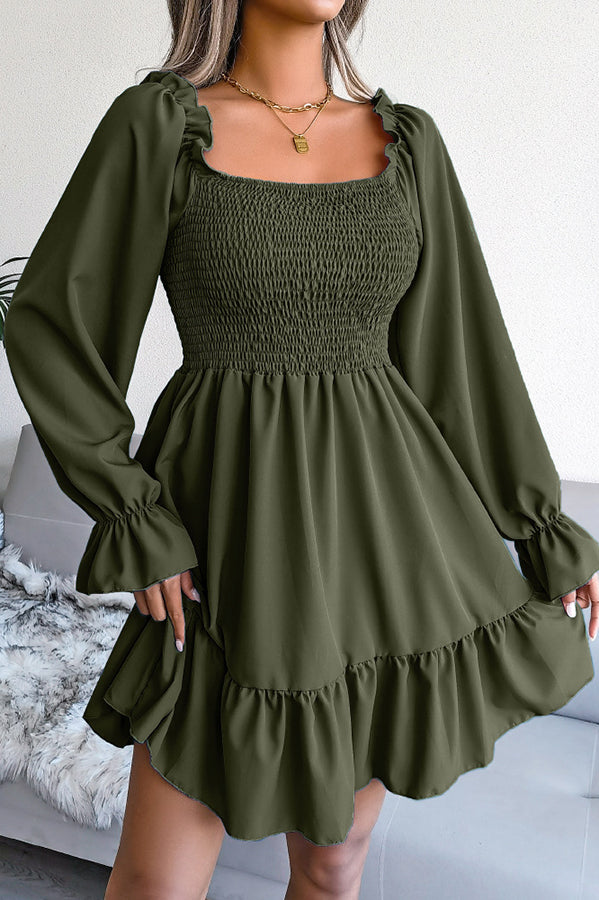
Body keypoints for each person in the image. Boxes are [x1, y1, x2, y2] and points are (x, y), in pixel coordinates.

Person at [4, 0, 599, 898]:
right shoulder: (161, 126)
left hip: (383, 544)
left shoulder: (407, 145)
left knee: (333, 861)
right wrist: (133, 512)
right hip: (227, 538)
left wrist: (541, 526)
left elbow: (463, 358)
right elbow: (55, 327)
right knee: (157, 882)